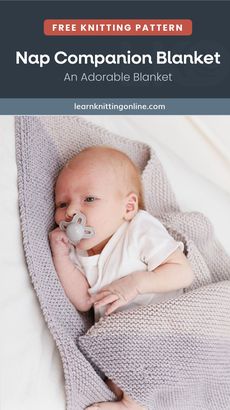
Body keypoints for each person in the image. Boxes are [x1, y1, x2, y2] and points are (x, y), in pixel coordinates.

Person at [49, 145, 194, 410]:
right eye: (62, 204)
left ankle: (131, 404)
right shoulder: (78, 254)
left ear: (128, 207)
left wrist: (137, 283)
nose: (71, 212)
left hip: (165, 330)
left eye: (89, 199)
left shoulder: (138, 229)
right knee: (115, 374)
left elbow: (182, 272)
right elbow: (84, 300)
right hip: (123, 343)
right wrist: (60, 255)